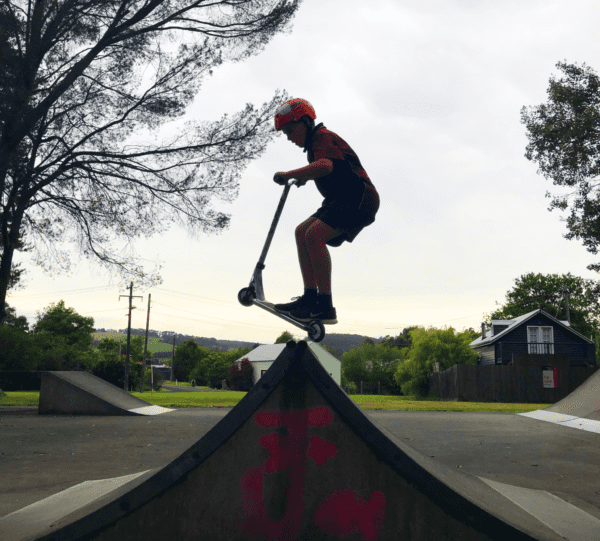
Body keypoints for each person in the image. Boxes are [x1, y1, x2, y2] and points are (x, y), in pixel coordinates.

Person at [272, 98, 380, 324]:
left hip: (358, 197)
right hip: (340, 199)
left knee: (314, 235)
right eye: (285, 134)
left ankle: (325, 305)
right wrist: (304, 176)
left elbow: (326, 166)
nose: (289, 137)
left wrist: (290, 173)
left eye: (291, 130)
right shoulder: (314, 146)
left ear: (305, 122)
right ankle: (310, 298)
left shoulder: (322, 137)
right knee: (301, 231)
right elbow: (324, 168)